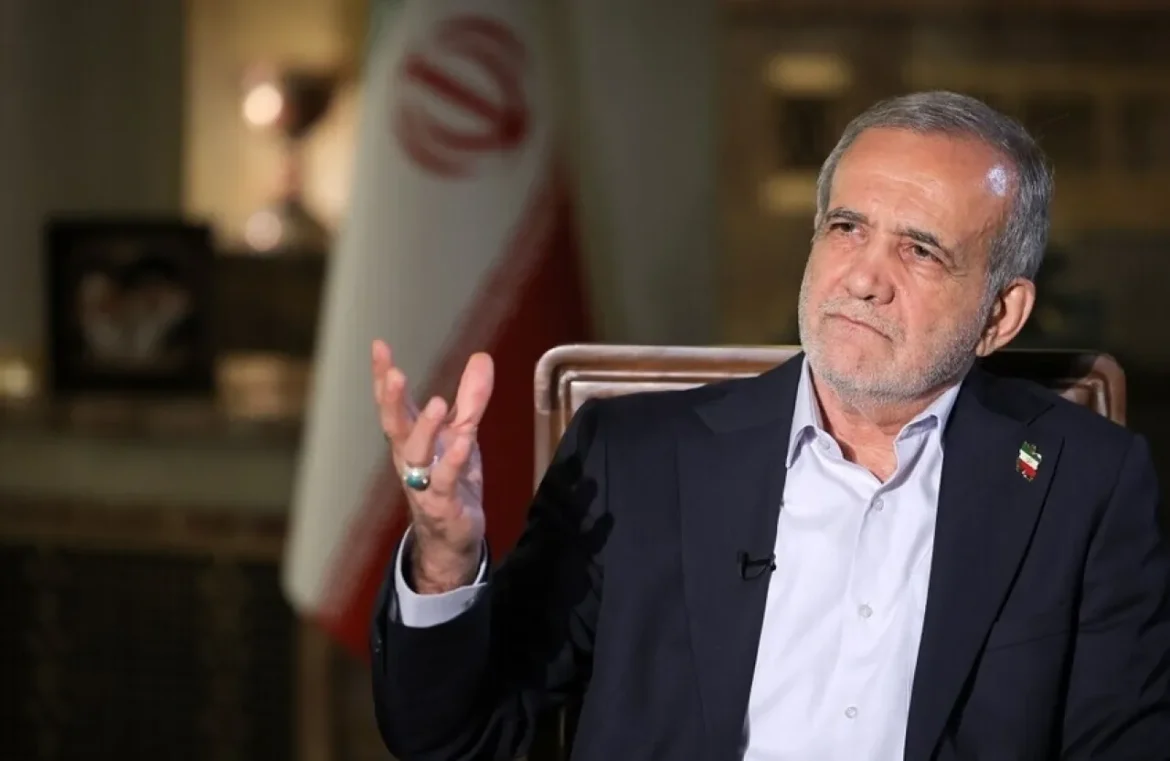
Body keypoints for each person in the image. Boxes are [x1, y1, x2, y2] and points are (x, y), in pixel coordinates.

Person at [368, 91, 1170, 760]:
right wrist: (445, 560)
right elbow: (454, 735)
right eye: (847, 227)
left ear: (1000, 315)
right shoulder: (636, 460)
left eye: (920, 251)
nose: (864, 278)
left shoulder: (1084, 482)